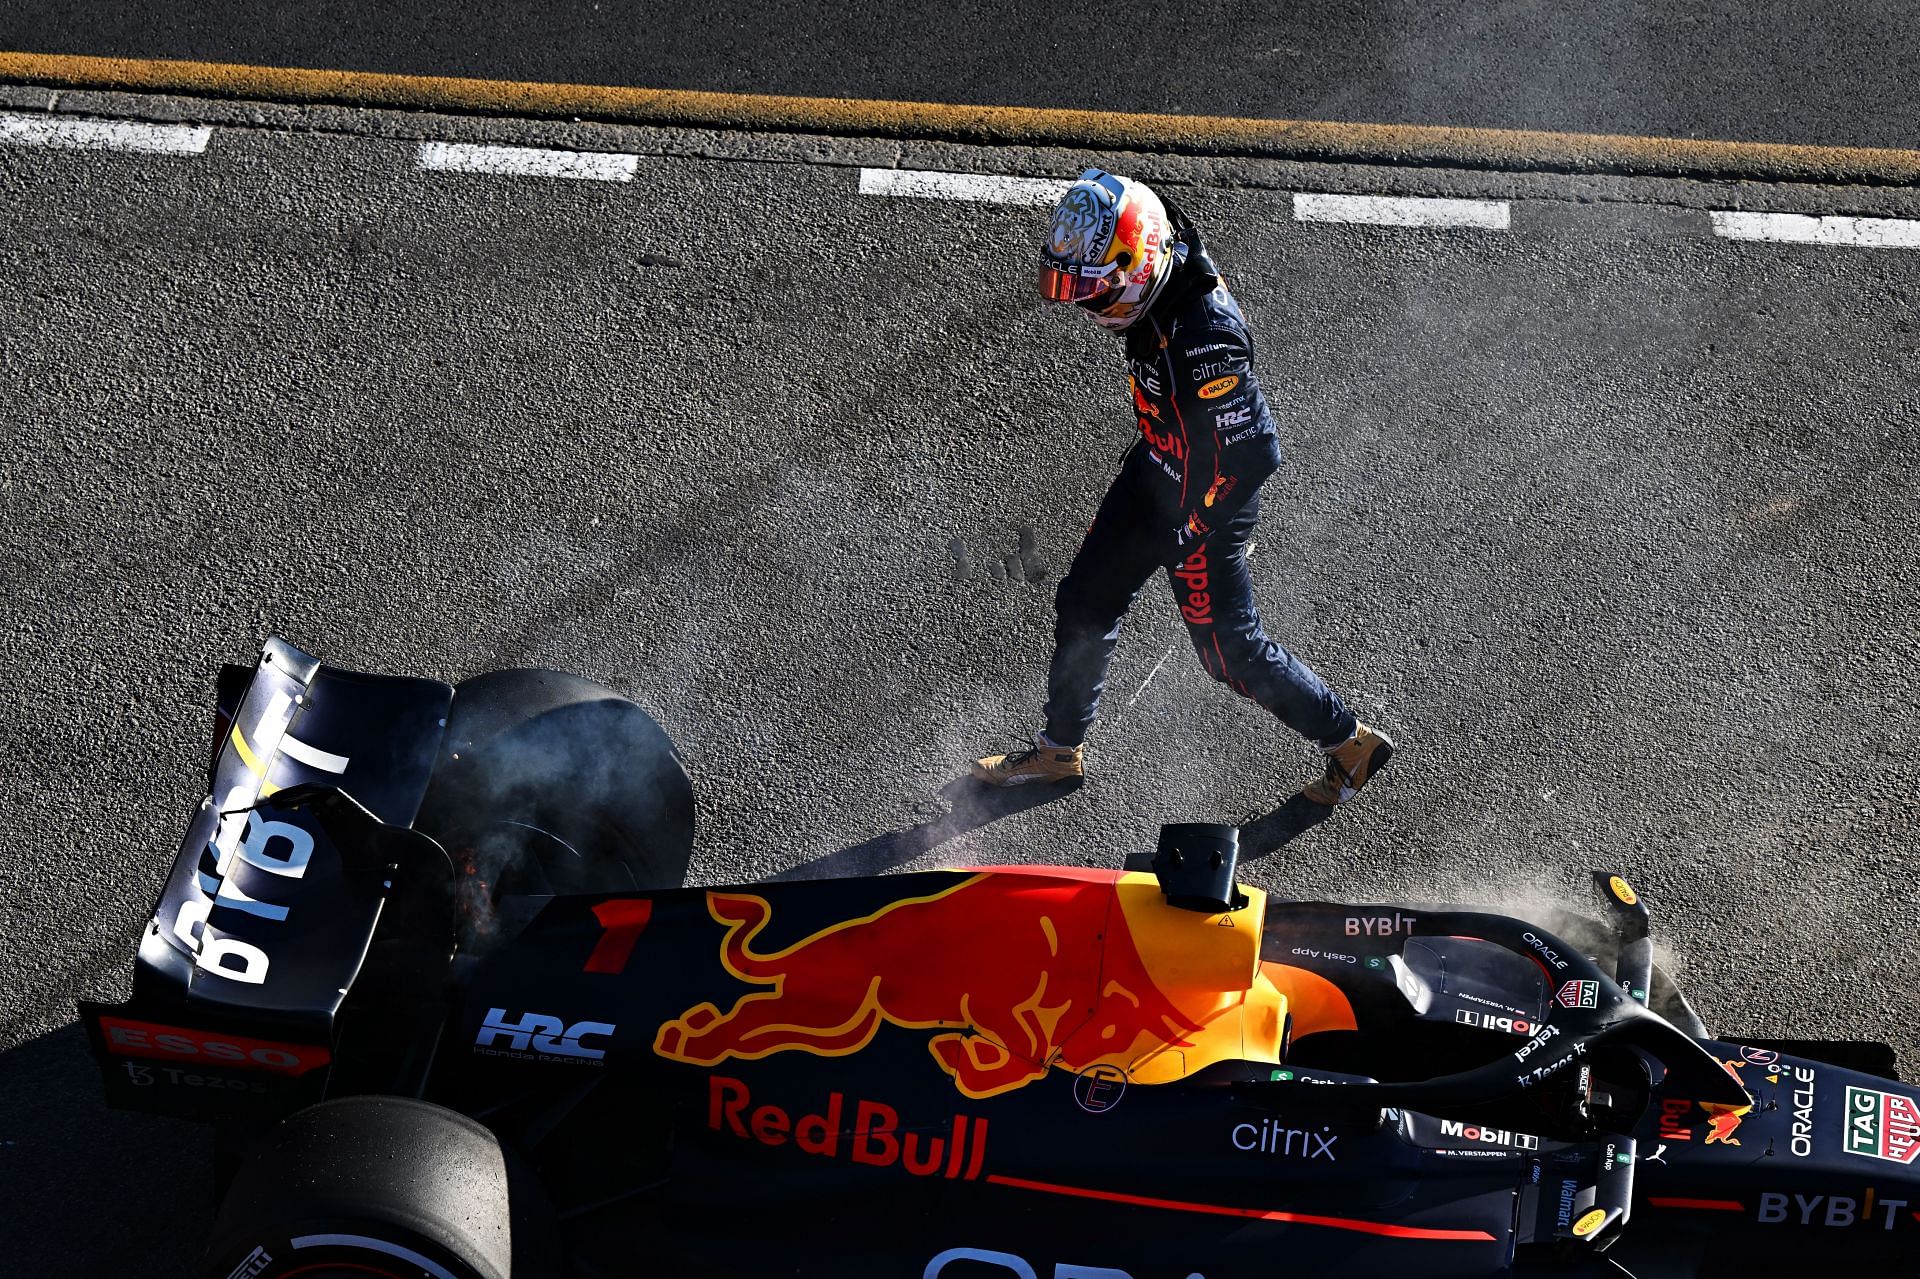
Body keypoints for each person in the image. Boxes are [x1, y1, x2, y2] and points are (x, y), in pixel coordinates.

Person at [972, 168, 1392, 805]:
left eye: (1095, 291)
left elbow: (1254, 454)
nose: (1088, 307)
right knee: (1084, 600)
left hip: (1206, 504)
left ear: (1136, 266)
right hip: (1157, 467)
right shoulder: (1149, 244)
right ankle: (1059, 754)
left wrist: (1191, 527)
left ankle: (1350, 741)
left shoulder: (1208, 341)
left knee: (1228, 655)